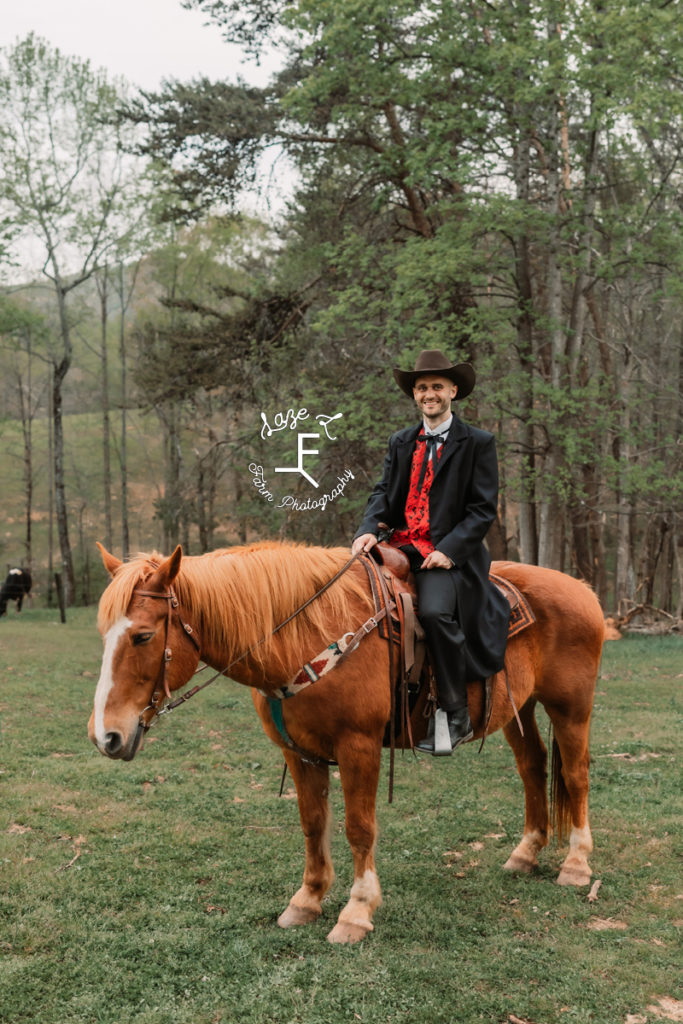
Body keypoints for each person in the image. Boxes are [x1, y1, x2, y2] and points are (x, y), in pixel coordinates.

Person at [351, 349, 510, 754]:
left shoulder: (478, 443)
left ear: (453, 391)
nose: (429, 394)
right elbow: (384, 494)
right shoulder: (401, 441)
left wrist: (450, 551)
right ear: (415, 395)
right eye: (422, 388)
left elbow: (481, 510)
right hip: (401, 545)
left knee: (437, 613)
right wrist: (369, 529)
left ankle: (455, 714)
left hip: (448, 556)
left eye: (437, 386)